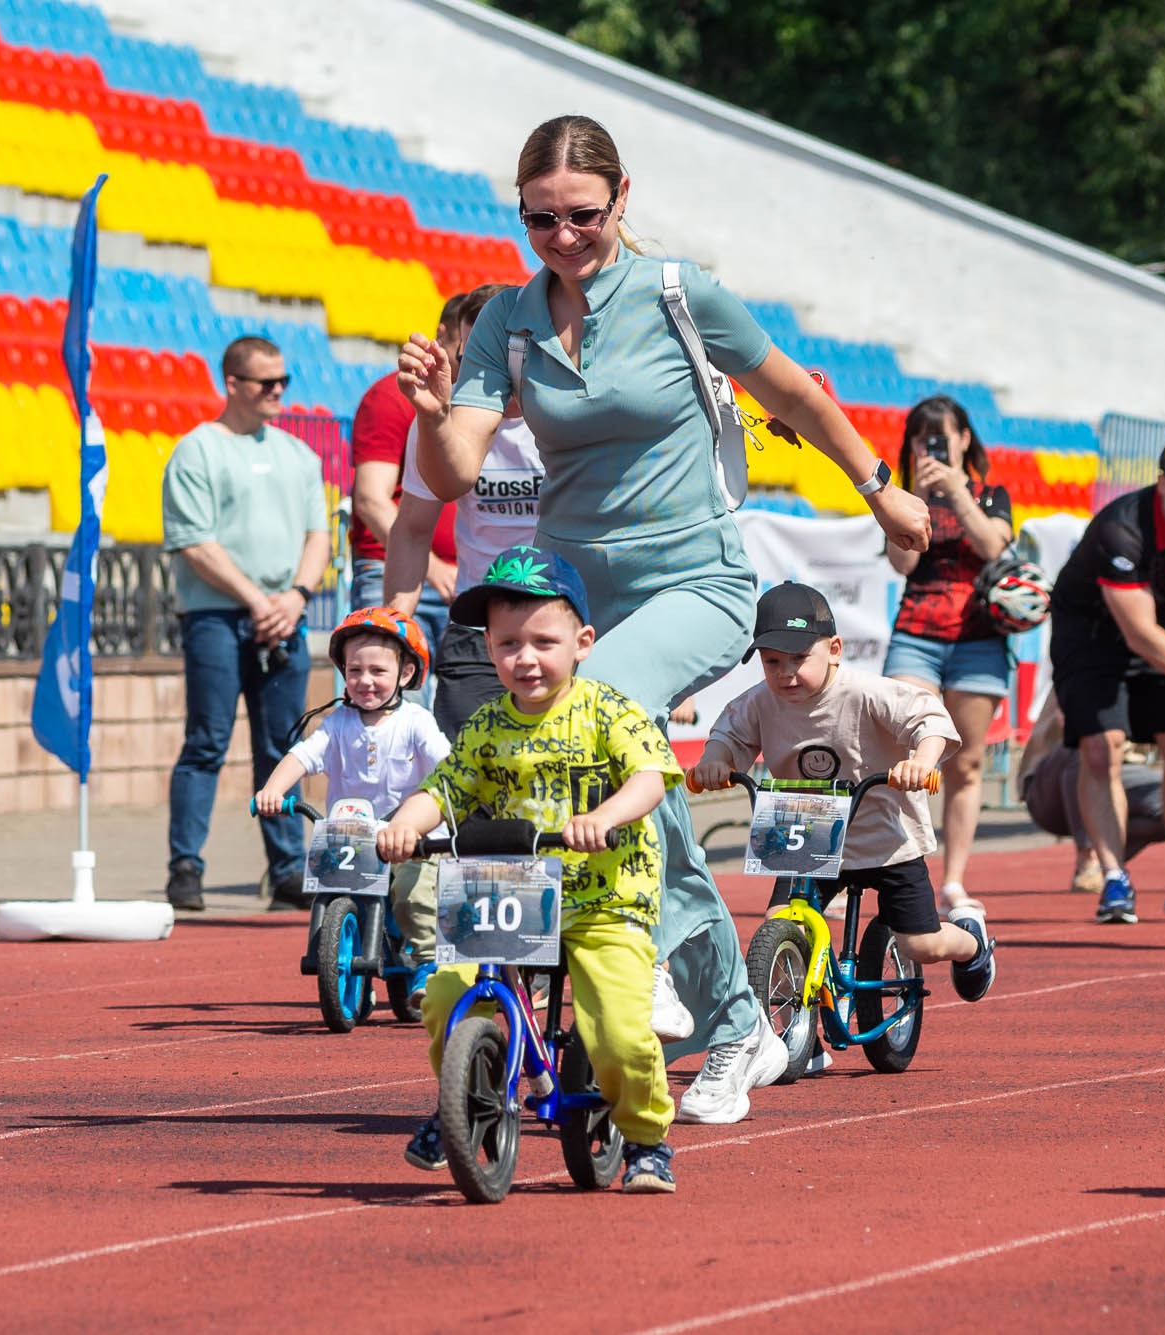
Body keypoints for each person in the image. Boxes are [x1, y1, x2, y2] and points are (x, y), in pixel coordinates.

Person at [398, 115, 929, 1125]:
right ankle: (732, 1019)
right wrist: (433, 410)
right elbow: (455, 469)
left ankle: (666, 977)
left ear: (621, 198)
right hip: (573, 590)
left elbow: (795, 395)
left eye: (581, 215)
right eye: (539, 219)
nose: (561, 236)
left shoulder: (681, 293)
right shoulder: (508, 320)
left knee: (594, 712)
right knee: (620, 759)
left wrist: (880, 491)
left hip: (695, 573)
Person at [376, 547, 687, 1193]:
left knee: (620, 1032)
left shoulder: (607, 710)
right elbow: (445, 787)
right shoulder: (488, 724)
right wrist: (408, 822)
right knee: (444, 996)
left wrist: (604, 814)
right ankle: (464, 1100)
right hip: (506, 892)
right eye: (508, 642)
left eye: (543, 641)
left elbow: (650, 776)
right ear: (488, 648)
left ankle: (648, 1139)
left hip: (603, 893)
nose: (525, 657)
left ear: (582, 641)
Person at [692, 582, 997, 1059]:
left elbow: (929, 718)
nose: (786, 673)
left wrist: (921, 759)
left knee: (920, 943)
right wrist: (715, 760)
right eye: (773, 662)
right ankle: (801, 1040)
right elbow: (729, 734)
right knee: (779, 924)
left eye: (798, 659)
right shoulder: (760, 701)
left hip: (883, 834)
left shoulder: (865, 692)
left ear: (834, 650)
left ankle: (971, 942)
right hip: (804, 829)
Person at [161, 336, 330, 913]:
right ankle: (185, 866)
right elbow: (193, 543)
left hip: (284, 614)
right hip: (215, 614)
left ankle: (287, 868)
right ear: (232, 383)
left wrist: (296, 596)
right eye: (266, 383)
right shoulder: (197, 451)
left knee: (283, 748)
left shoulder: (298, 456)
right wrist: (260, 600)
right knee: (206, 741)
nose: (278, 392)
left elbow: (319, 536)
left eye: (284, 381)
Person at [1045, 473, 1165, 925]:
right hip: (1094, 638)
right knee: (1101, 746)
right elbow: (1141, 635)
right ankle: (1113, 878)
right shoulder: (1122, 527)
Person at [253, 608, 451, 1001]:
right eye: (355, 670)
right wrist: (273, 789)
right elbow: (302, 757)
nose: (365, 681)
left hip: (412, 840)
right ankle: (350, 959)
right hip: (353, 840)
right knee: (337, 892)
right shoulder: (338, 724)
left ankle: (428, 965)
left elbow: (447, 764)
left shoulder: (416, 721)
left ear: (405, 674)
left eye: (378, 671)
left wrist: (447, 803)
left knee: (413, 894)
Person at [384, 284, 538, 738]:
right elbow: (412, 529)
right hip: (479, 625)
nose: (485, 372)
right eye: (471, 356)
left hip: (565, 623)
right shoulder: (438, 423)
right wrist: (395, 625)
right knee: (466, 787)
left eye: (499, 355)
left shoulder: (567, 416)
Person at [882, 396, 1015, 919]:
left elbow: (993, 548)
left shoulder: (990, 495)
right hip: (917, 632)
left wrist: (958, 494)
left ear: (964, 439)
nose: (932, 446)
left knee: (968, 761)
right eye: (922, 438)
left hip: (979, 637)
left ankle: (954, 879)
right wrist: (914, 496)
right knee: (904, 748)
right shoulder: (905, 498)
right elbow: (901, 561)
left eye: (942, 436)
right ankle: (898, 867)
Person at [348, 304, 459, 652]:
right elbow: (370, 499)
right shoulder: (392, 397)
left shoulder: (483, 402)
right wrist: (433, 568)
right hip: (395, 572)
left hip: (465, 581)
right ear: (442, 336)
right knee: (394, 698)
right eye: (463, 347)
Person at [1017, 696, 1165, 889]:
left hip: (1123, 773)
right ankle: (1087, 859)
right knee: (1091, 740)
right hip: (1050, 787)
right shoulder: (1088, 670)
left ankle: (1107, 859)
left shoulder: (1154, 679)